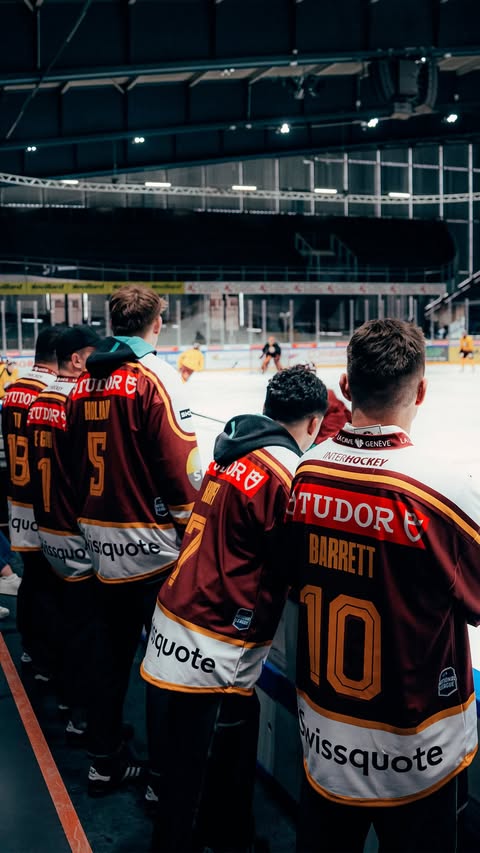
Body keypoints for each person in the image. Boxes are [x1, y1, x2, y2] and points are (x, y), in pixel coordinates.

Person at [285, 318, 480, 853]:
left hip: (325, 739)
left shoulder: (307, 472)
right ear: (421, 390)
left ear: (345, 388)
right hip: (416, 751)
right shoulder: (441, 488)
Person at [141, 365, 329, 852]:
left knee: (214, 745)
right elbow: (296, 560)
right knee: (199, 764)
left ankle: (228, 833)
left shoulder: (234, 449)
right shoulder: (285, 473)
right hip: (215, 636)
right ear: (313, 424)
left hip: (177, 618)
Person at [64, 285, 202, 796]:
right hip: (150, 545)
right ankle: (161, 780)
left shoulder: (82, 385)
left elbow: (71, 462)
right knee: (164, 663)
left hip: (101, 541)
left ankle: (104, 759)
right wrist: (191, 525)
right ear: (157, 324)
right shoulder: (156, 377)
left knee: (111, 654)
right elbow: (180, 464)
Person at [27, 325, 101, 743]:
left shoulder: (40, 401)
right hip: (76, 535)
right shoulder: (77, 400)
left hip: (46, 526)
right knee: (87, 632)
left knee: (64, 620)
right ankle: (81, 717)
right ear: (77, 360)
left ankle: (65, 699)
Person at [1, 326, 62, 674]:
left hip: (17, 500)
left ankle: (29, 648)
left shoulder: (14, 390)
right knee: (51, 584)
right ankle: (47, 658)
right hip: (44, 503)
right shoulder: (50, 393)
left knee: (32, 581)